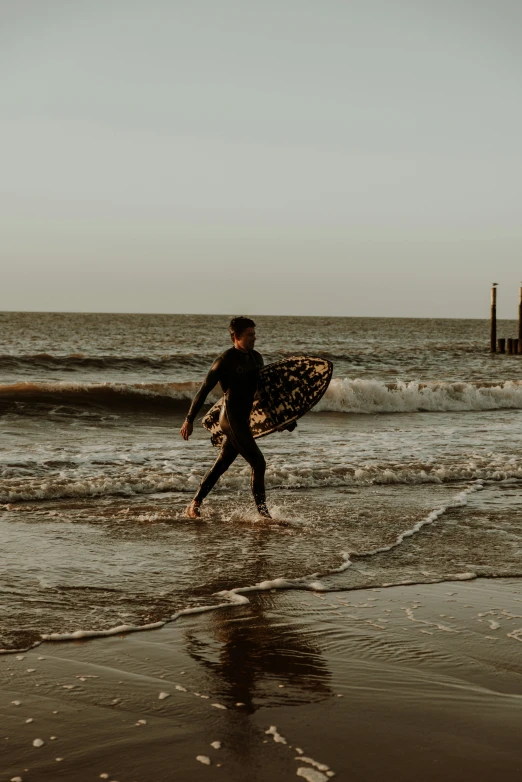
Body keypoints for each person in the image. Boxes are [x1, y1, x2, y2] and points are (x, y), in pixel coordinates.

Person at [180, 316, 271, 519]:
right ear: (236, 336)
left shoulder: (257, 358)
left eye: (254, 334)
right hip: (230, 419)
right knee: (259, 462)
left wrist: (281, 419)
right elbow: (203, 391)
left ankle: (194, 504)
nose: (254, 338)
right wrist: (189, 419)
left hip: (244, 419)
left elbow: (262, 394)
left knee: (222, 463)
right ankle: (264, 515)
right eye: (249, 335)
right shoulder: (225, 361)